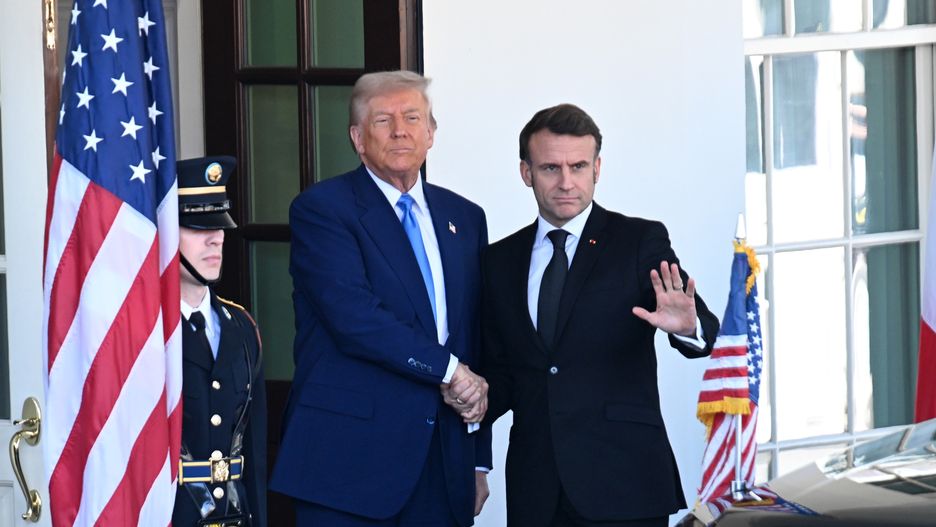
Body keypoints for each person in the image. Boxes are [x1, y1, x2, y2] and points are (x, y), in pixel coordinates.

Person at [480, 104, 720, 527]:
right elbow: (503, 374)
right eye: (550, 168)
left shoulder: (639, 240)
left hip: (624, 483)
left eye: (578, 166)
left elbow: (704, 328)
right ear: (526, 172)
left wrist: (689, 327)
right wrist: (470, 399)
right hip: (536, 489)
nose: (566, 182)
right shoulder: (499, 261)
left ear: (597, 168)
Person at [269, 70, 492, 526]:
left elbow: (474, 335)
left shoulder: (465, 217)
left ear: (431, 133)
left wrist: (477, 459)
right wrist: (450, 371)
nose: (400, 131)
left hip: (444, 464)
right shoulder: (322, 210)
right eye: (383, 120)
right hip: (349, 465)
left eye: (412, 118)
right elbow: (355, 317)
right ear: (358, 138)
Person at [173, 156, 267, 527]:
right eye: (198, 227)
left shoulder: (241, 326)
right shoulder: (146, 332)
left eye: (220, 226)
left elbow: (253, 454)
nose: (216, 238)